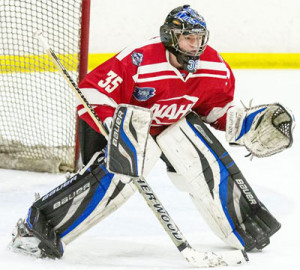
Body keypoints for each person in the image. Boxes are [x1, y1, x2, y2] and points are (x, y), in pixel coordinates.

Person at [9, 5, 294, 259]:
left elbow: (214, 109)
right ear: (171, 37)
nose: (195, 46)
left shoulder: (214, 67)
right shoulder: (139, 60)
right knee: (119, 170)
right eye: (188, 38)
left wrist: (242, 123)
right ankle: (37, 227)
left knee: (202, 154)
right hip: (129, 127)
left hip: (171, 128)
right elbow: (91, 92)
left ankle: (246, 225)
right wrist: (113, 127)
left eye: (199, 38)